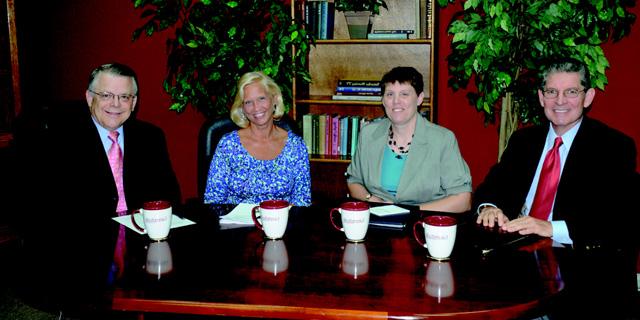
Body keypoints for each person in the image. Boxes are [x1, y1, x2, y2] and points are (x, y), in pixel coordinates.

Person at [14, 62, 181, 316]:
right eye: (106, 95)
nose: (116, 104)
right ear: (89, 97)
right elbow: (41, 207)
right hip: (81, 246)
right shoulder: (58, 139)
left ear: (133, 102)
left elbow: (169, 194)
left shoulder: (151, 136)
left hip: (141, 242)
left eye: (124, 96)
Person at [474, 57, 638, 247]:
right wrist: (488, 208)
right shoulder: (523, 141)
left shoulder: (613, 147)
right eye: (552, 92)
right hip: (515, 249)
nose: (560, 101)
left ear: (589, 97)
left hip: (576, 256)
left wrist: (550, 228)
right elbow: (492, 187)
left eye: (571, 92)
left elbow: (620, 218)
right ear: (541, 98)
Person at [346, 66, 472, 212]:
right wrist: (372, 200)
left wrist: (409, 212)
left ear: (419, 99)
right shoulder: (368, 134)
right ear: (382, 100)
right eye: (390, 94)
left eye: (404, 94)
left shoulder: (442, 139)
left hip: (424, 223)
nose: (396, 101)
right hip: (376, 219)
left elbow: (463, 200)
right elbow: (353, 181)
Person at [204, 71, 311, 206]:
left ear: (275, 100)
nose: (256, 108)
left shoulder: (296, 146)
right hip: (236, 225)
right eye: (248, 102)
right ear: (242, 108)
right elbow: (213, 199)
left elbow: (302, 201)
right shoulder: (228, 145)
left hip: (282, 224)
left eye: (261, 98)